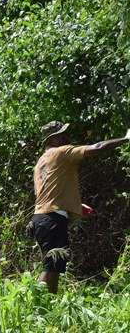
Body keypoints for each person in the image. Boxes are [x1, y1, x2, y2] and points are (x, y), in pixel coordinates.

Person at [31, 121, 130, 294]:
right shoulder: (62, 152)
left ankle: (47, 305)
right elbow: (97, 148)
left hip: (40, 218)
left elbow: (49, 192)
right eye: (63, 134)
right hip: (52, 218)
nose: (66, 137)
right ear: (56, 137)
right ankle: (38, 305)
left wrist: (74, 204)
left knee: (54, 265)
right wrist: (125, 139)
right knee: (52, 267)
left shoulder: (41, 162)